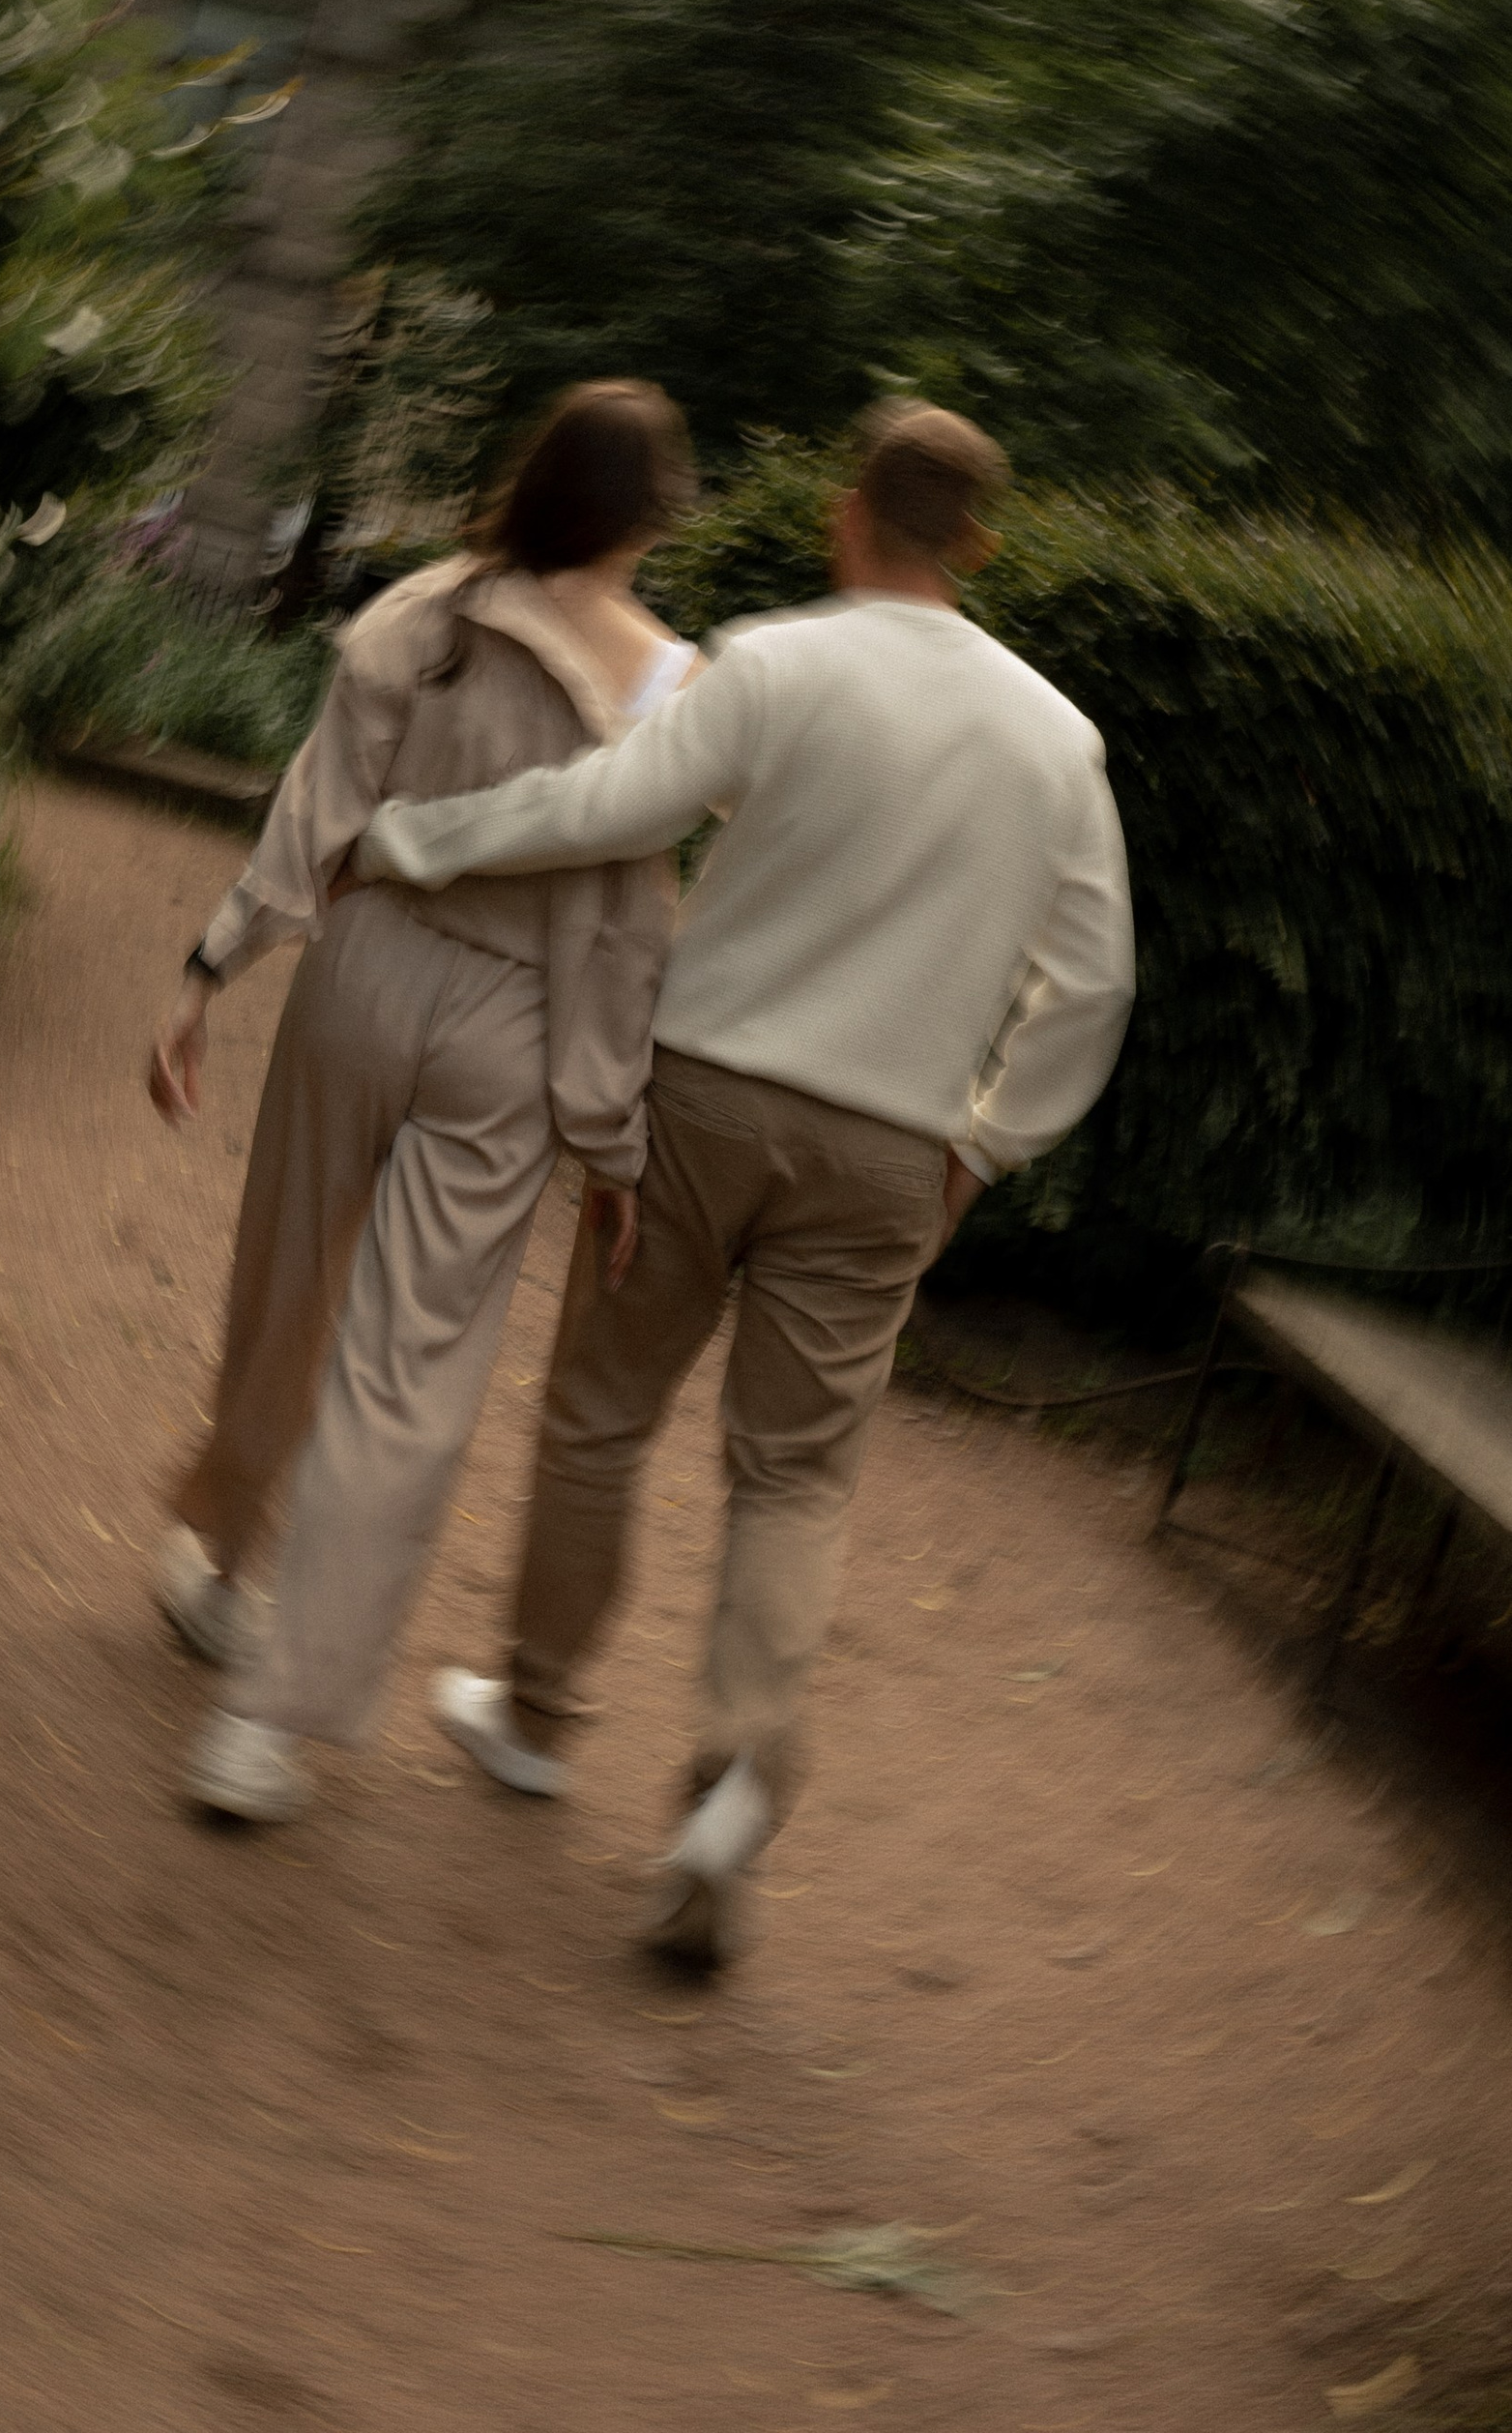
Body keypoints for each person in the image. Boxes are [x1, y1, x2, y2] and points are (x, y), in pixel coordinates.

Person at [347, 401, 1135, 1965]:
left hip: (699, 1100)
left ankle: (536, 1713)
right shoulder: (1059, 742)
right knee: (795, 1479)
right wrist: (984, 1144)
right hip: (889, 1150)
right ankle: (730, 1788)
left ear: (849, 512)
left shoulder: (772, 662)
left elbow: (603, 809)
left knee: (600, 1412)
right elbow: (1093, 984)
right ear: (980, 545)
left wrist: (407, 839)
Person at [146, 382, 699, 1818]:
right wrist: (614, 1141)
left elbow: (315, 808)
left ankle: (216, 1563)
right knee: (408, 1379)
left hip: (362, 976)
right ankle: (266, 1724)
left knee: (286, 1288)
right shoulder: (670, 687)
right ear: (651, 513)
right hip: (516, 1027)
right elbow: (630, 933)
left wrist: (210, 969)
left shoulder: (427, 611)